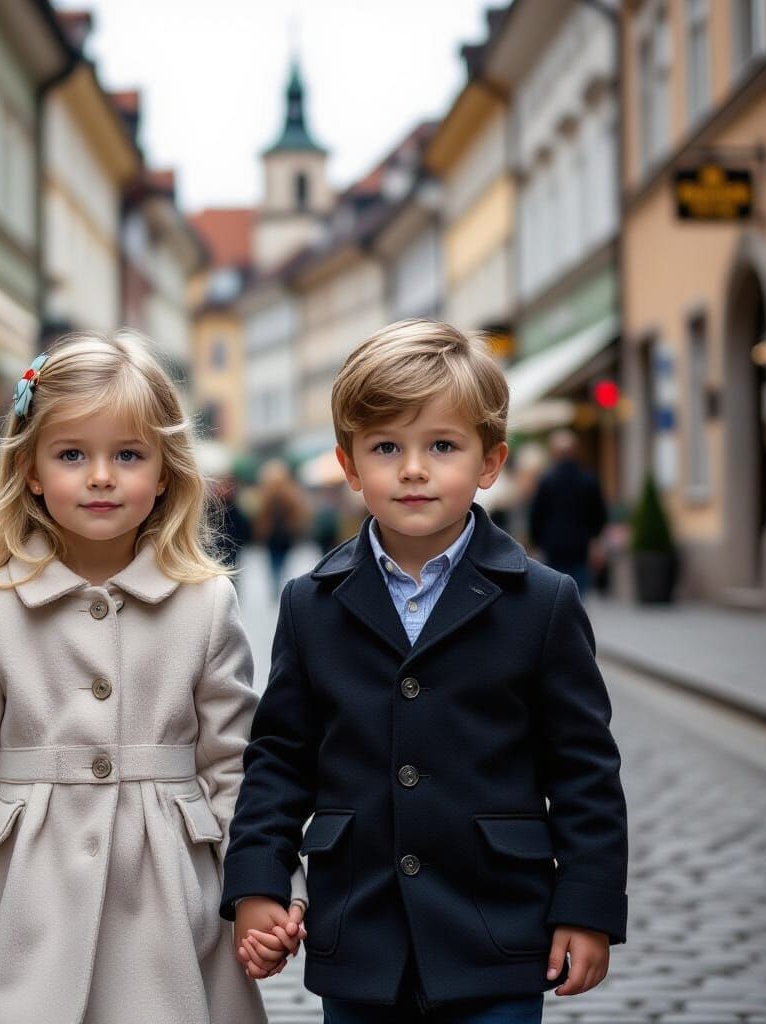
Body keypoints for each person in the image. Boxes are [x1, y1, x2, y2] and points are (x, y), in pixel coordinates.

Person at [221, 320, 628, 1023]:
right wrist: (259, 880)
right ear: (349, 468)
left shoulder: (543, 602)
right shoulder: (312, 604)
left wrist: (587, 907)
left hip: (495, 932)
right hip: (359, 935)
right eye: (386, 447)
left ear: (490, 462)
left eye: (442, 446)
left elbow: (584, 771)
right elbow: (279, 760)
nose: (413, 469)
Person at [0, 331, 306, 1024]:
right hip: (23, 890)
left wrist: (263, 887)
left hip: (167, 889)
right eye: (72, 455)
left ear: (165, 471)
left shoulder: (205, 605)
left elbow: (237, 765)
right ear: (30, 470)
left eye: (127, 455)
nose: (100, 476)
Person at [528, 430, 608, 598]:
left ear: (555, 453)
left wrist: (535, 541)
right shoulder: (588, 480)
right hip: (580, 547)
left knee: (554, 593)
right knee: (578, 594)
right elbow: (599, 514)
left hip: (553, 546)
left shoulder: (547, 480)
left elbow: (536, 514)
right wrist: (595, 539)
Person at [252, 458, 308, 599]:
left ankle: (276, 584)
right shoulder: (285, 496)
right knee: (278, 562)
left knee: (275, 562)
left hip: (278, 536)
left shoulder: (271, 496)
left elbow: (261, 517)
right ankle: (277, 583)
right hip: (280, 535)